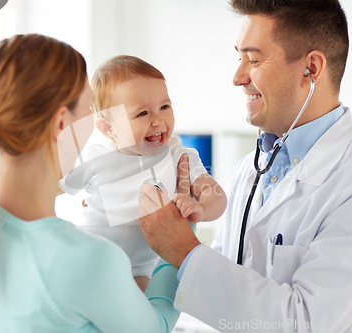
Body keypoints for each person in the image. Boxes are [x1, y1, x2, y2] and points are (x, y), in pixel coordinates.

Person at [137, 0, 352, 331]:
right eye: (239, 58)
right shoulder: (252, 169)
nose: (237, 77)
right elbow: (222, 298)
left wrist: (183, 250)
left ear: (311, 68)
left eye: (254, 59)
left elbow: (303, 324)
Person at [0, 34, 180, 332]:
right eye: (90, 109)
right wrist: (176, 244)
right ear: (62, 123)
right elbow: (156, 328)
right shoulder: (92, 260)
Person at [59, 55, 227, 292]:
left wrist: (201, 208)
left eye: (164, 107)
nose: (159, 120)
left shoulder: (178, 155)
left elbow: (216, 195)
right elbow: (53, 188)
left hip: (141, 271)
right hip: (90, 259)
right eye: (142, 114)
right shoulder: (97, 159)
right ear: (108, 128)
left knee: (142, 312)